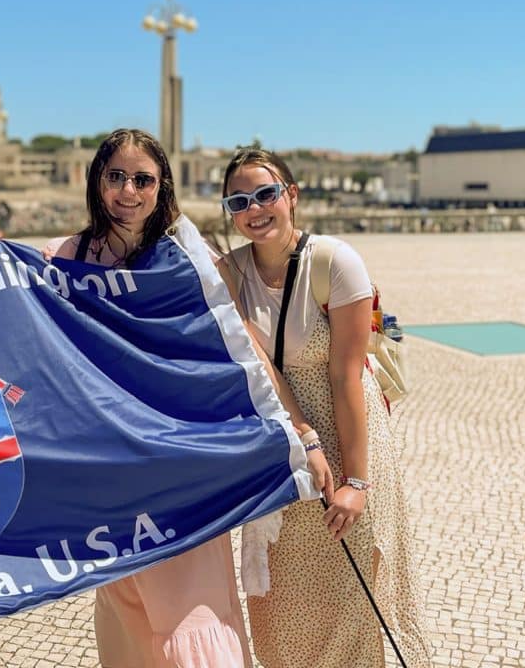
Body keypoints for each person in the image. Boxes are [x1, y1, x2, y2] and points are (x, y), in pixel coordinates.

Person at [45, 129, 331, 668]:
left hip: (183, 469)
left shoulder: (187, 256)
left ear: (162, 187)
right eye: (116, 177)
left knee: (192, 618)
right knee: (127, 614)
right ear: (97, 180)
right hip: (113, 476)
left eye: (143, 180)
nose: (129, 191)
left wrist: (303, 434)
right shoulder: (71, 256)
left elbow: (242, 347)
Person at [219, 147, 432, 668]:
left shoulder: (334, 261)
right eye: (239, 200)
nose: (255, 208)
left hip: (349, 433)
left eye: (266, 194)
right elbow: (251, 363)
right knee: (280, 598)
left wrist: (356, 482)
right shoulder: (228, 271)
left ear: (292, 196)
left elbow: (346, 376)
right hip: (284, 442)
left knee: (349, 594)